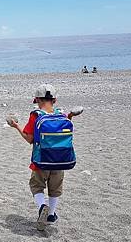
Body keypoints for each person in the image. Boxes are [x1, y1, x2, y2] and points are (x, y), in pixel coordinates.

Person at [9, 84, 80, 230]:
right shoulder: (61, 114)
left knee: (36, 186)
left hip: (41, 160)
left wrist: (16, 126)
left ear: (37, 100)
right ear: (54, 100)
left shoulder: (36, 115)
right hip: (61, 160)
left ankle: (42, 207)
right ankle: (52, 214)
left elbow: (29, 139)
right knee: (55, 188)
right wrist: (71, 116)